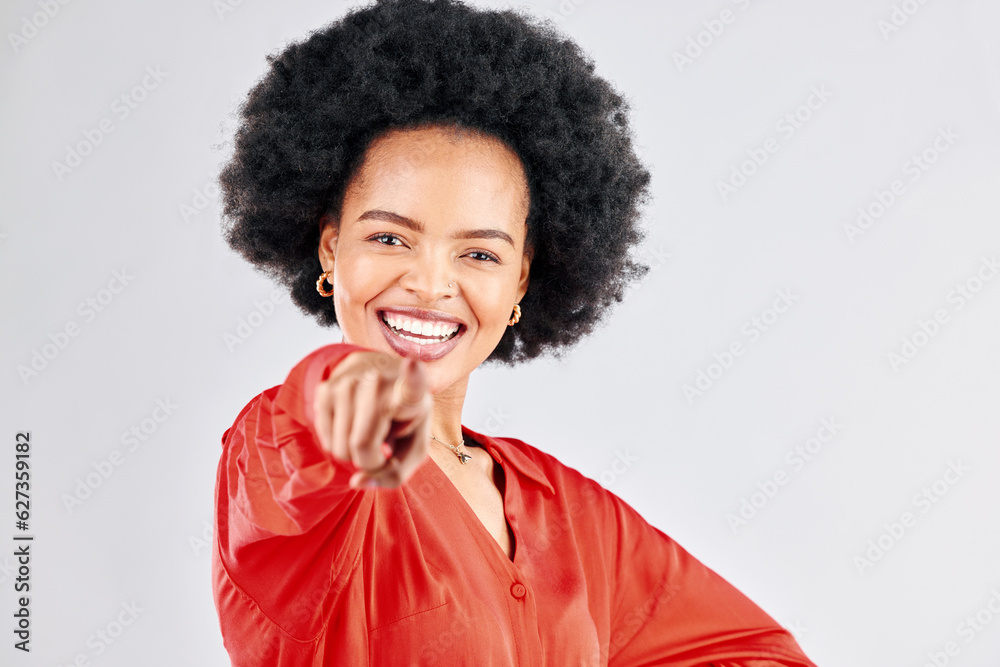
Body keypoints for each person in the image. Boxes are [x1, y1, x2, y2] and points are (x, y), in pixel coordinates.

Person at [211, 0, 818, 664]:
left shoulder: (569, 512)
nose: (431, 283)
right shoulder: (279, 454)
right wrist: (347, 393)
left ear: (522, 282)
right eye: (390, 237)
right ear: (331, 250)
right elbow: (310, 431)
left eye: (479, 254)